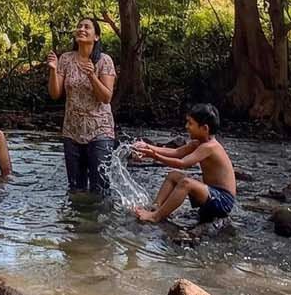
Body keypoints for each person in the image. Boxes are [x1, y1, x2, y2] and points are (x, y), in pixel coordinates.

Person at [129, 103, 237, 224]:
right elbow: (177, 152)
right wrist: (148, 147)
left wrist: (154, 156)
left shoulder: (209, 147)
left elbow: (182, 163)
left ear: (205, 128)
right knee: (173, 175)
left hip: (222, 200)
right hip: (211, 193)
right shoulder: (198, 143)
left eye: (190, 123)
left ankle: (155, 216)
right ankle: (156, 207)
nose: (186, 126)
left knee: (186, 183)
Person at [46, 15, 117, 192]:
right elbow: (55, 94)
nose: (81, 29)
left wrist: (92, 76)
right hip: (72, 131)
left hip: (100, 131)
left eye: (87, 27)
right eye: (79, 26)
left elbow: (106, 98)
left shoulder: (104, 60)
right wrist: (53, 71)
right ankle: (76, 220)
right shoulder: (66, 59)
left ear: (96, 36)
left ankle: (100, 219)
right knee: (76, 188)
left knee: (99, 188)